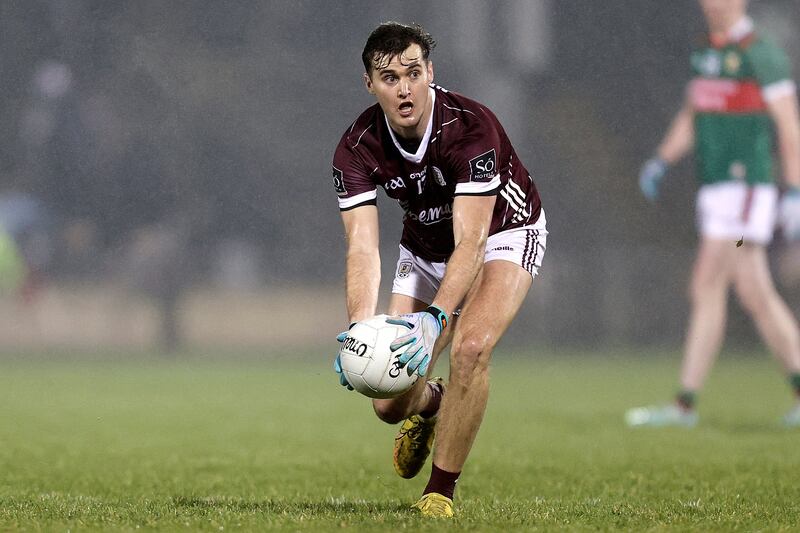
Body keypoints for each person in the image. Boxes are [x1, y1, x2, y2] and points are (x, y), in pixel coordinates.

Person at [330, 22, 547, 517]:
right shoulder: (356, 148)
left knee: (470, 348)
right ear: (369, 83)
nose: (404, 88)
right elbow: (362, 247)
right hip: (426, 248)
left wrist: (435, 320)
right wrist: (359, 328)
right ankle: (432, 405)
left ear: (431, 71)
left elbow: (471, 243)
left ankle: (439, 492)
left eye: (413, 73)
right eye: (388, 77)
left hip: (504, 233)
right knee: (387, 402)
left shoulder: (472, 129)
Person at [626, 0, 800, 428]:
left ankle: (684, 404)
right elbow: (693, 114)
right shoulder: (706, 52)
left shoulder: (762, 53)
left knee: (707, 282)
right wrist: (662, 160)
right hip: (718, 193)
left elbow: (789, 125)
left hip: (745, 194)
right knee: (755, 293)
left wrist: (794, 189)